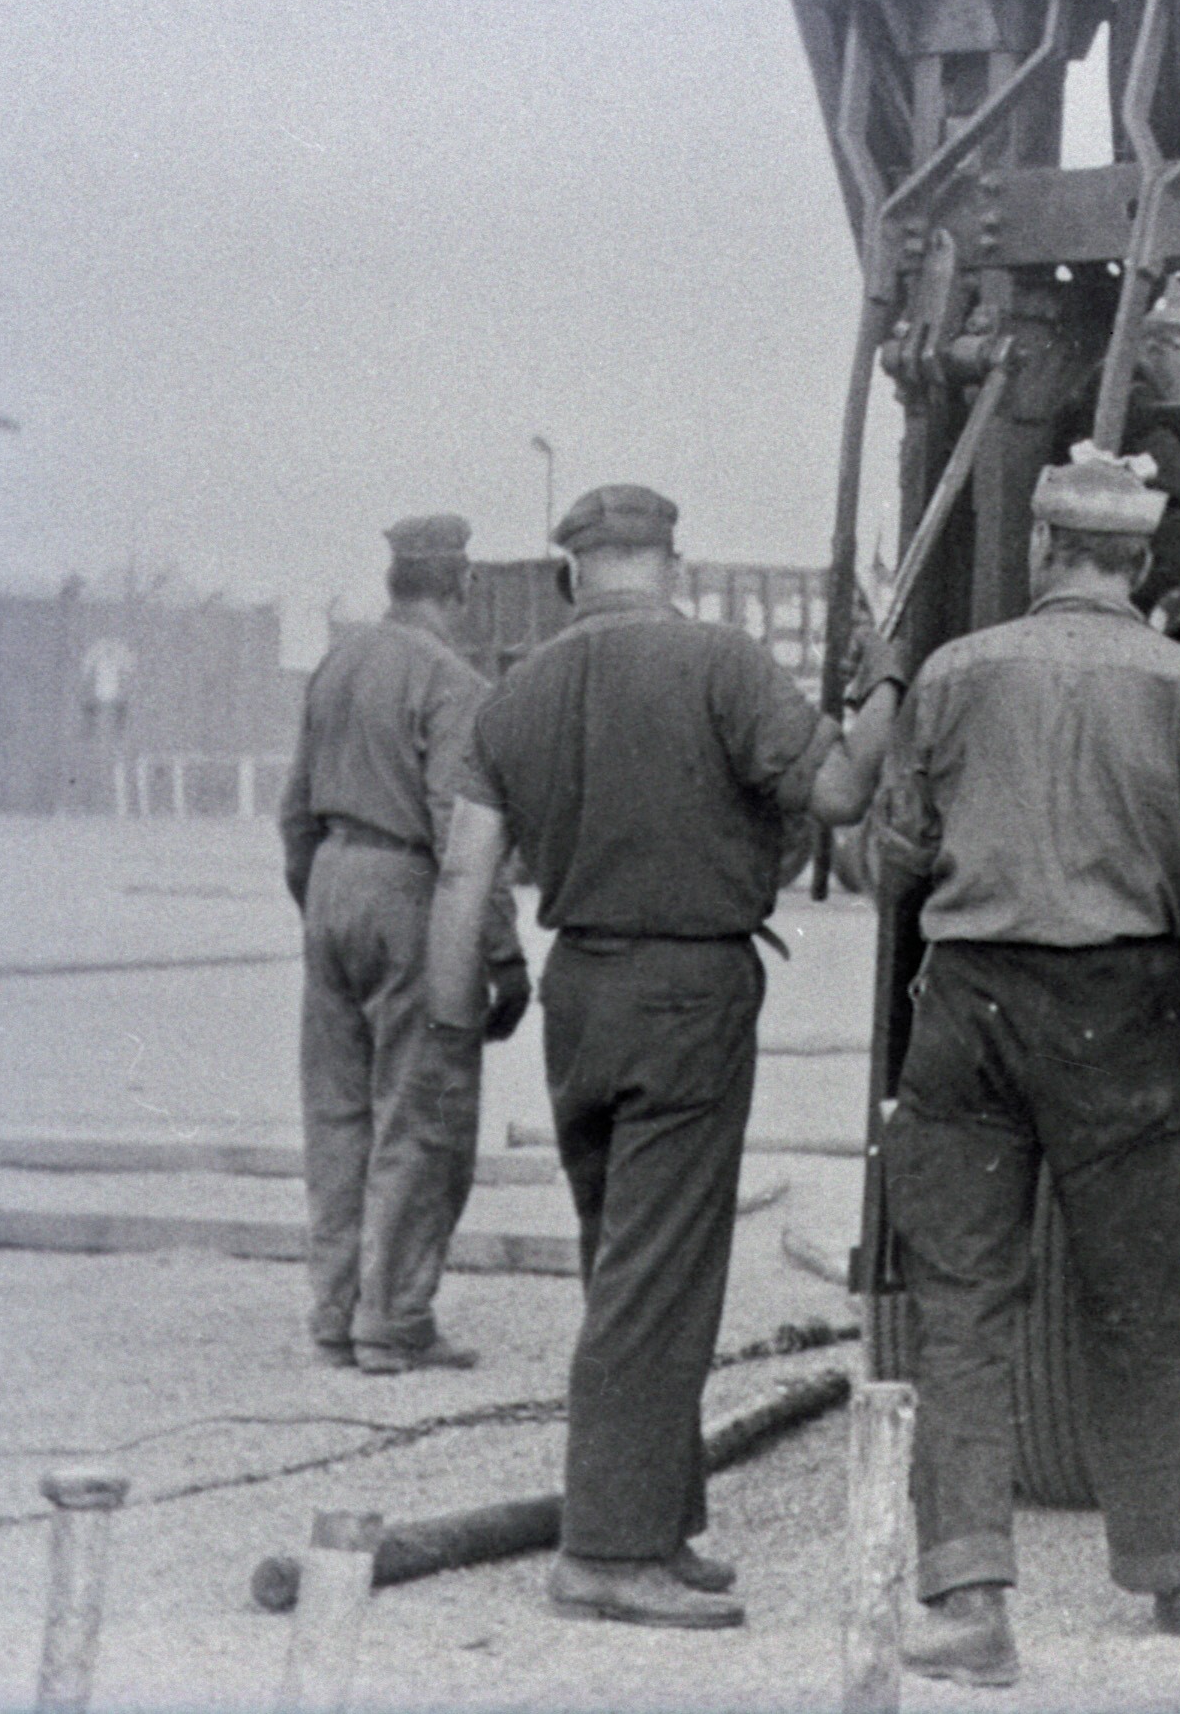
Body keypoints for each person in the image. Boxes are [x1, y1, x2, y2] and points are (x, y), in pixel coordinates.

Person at [424, 483, 900, 1631]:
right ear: (670, 563)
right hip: (687, 993)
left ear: (571, 574)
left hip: (579, 989)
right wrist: (885, 686)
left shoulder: (512, 696)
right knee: (659, 1275)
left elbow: (459, 880)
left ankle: (659, 1518)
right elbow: (838, 792)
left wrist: (453, 1024)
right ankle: (607, 1551)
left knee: (625, 1265)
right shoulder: (722, 664)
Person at [871, 446, 1180, 1689]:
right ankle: (1172, 1567)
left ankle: (970, 1598)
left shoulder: (952, 673)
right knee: (1142, 1304)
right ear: (1144, 566)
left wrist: (916, 1023)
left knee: (963, 1306)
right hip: (1123, 1010)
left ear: (1045, 551)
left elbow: (891, 857)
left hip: (971, 1008)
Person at [276, 514, 528, 1374]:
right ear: (459, 587)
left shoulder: (337, 661)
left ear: (394, 582)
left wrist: (319, 900)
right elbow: (464, 832)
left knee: (338, 1115)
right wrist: (501, 953)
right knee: (422, 1113)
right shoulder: (453, 681)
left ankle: (334, 1312)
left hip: (333, 881)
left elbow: (293, 811)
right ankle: (396, 1319)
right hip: (412, 893)